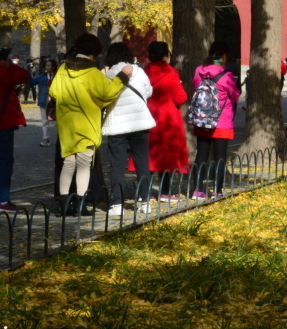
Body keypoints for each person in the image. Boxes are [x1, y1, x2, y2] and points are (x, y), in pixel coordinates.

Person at [49, 33, 133, 215]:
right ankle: (80, 203)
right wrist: (122, 77)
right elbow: (107, 93)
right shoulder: (93, 73)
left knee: (68, 163)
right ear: (94, 53)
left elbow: (54, 91)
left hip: (67, 126)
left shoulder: (63, 68)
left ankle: (63, 202)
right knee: (84, 164)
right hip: (86, 125)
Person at [102, 42, 155, 216]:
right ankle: (145, 201)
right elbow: (148, 92)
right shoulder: (139, 71)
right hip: (139, 122)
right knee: (142, 163)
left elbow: (104, 96)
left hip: (116, 125)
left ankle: (117, 203)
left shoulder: (108, 74)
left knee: (117, 165)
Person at [189, 40, 240, 200]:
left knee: (201, 155)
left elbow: (195, 85)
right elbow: (234, 95)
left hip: (202, 119)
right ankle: (217, 191)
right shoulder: (226, 74)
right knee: (220, 157)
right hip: (222, 121)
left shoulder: (199, 70)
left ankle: (197, 190)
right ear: (224, 55)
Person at [140, 41, 188, 199]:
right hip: (167, 119)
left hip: (146, 117)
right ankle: (165, 192)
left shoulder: (143, 72)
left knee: (147, 155)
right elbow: (180, 98)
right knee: (166, 155)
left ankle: (144, 192)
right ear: (166, 55)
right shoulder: (170, 73)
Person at [0, 46, 30, 212]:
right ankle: (3, 200)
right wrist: (10, 65)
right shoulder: (2, 73)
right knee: (5, 161)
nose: (6, 61)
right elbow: (24, 74)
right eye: (4, 58)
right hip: (3, 122)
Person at [31, 59, 57, 146]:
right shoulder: (42, 76)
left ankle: (63, 139)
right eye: (46, 65)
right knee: (44, 121)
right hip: (44, 101)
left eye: (49, 65)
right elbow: (32, 82)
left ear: (53, 67)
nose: (47, 67)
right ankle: (46, 139)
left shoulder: (58, 76)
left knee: (60, 121)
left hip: (57, 101)